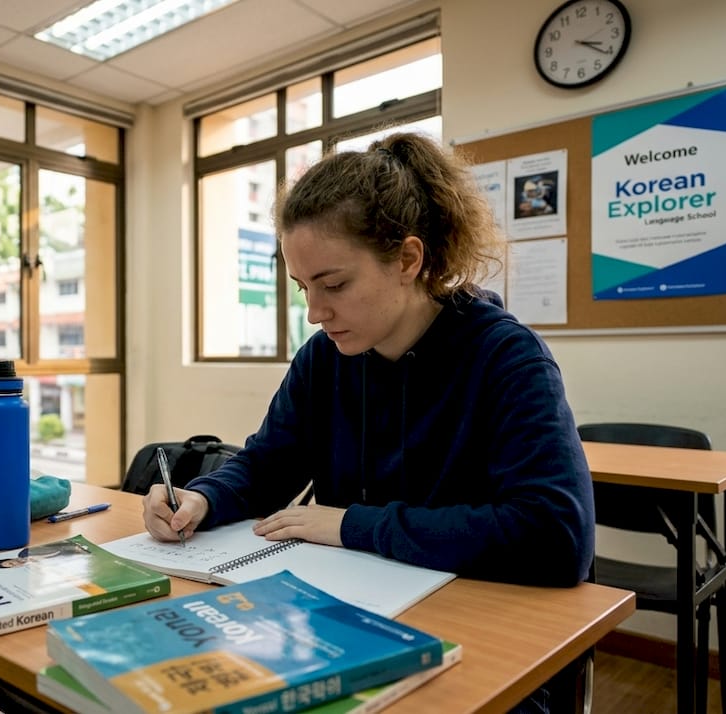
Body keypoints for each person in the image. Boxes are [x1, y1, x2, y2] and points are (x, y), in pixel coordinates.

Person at [141, 132, 593, 712]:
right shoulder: (325, 357)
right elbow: (266, 465)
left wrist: (352, 524)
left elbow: (555, 537)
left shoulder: (505, 357)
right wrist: (202, 498)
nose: (315, 311)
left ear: (408, 259)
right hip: (341, 622)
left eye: (334, 285)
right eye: (304, 288)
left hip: (471, 640)